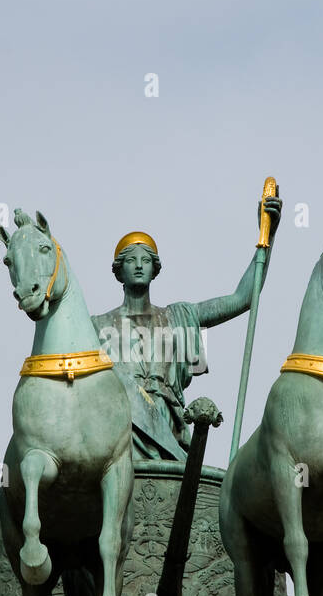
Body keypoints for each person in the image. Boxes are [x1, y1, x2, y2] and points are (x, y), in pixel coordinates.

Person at [91, 197, 281, 460]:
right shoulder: (96, 326)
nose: (137, 265)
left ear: (154, 269)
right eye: (130, 260)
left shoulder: (179, 316)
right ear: (118, 271)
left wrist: (266, 238)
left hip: (168, 430)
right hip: (119, 431)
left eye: (145, 260)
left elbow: (243, 298)